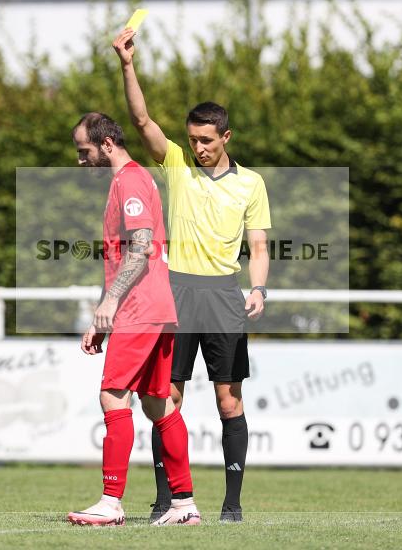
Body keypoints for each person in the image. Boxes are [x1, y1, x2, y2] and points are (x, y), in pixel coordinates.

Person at [112, 28, 271, 523]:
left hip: (223, 295)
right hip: (174, 292)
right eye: (192, 139)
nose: (197, 148)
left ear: (226, 137)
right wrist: (127, 65)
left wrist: (259, 287)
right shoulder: (176, 164)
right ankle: (169, 501)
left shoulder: (251, 183)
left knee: (229, 401)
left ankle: (232, 504)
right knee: (164, 398)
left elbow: (259, 246)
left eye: (206, 140)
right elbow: (140, 120)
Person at [67, 112, 201, 527]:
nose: (80, 160)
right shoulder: (131, 180)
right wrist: (101, 318)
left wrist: (109, 304)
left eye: (84, 151)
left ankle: (111, 502)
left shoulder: (129, 180)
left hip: (140, 310)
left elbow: (140, 246)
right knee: (158, 405)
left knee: (113, 395)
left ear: (106, 145)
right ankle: (183, 506)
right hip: (157, 308)